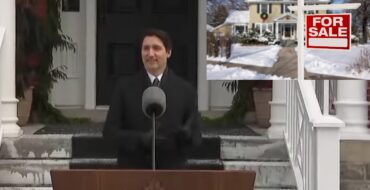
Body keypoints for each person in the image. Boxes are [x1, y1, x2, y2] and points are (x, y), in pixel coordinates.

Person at [103, 28, 202, 169]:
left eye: (156, 48)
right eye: (146, 48)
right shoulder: (124, 87)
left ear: (168, 52)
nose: (150, 54)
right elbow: (109, 133)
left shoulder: (186, 90)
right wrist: (139, 139)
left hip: (172, 173)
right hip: (133, 171)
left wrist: (187, 136)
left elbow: (196, 137)